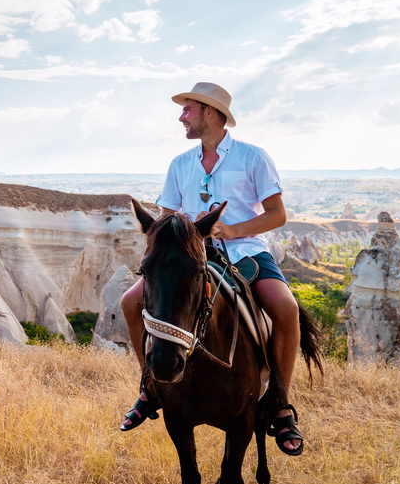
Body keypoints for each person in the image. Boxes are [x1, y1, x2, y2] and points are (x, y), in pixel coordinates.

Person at [119, 82, 305, 456]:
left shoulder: (253, 157)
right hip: (191, 257)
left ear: (210, 112)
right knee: (129, 302)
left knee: (286, 309)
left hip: (245, 252)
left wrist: (232, 229)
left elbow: (277, 215)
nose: (181, 117)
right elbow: (166, 219)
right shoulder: (180, 163)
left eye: (187, 109)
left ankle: (281, 404)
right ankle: (150, 386)